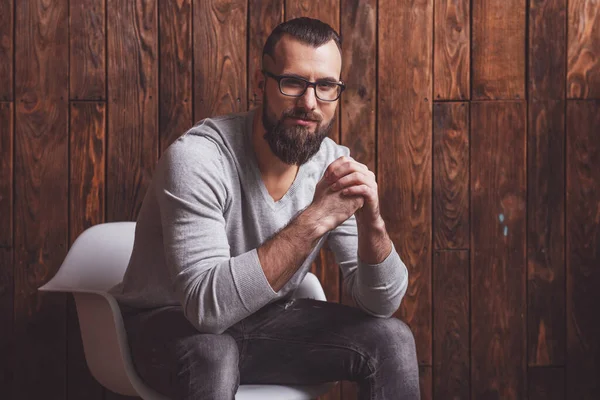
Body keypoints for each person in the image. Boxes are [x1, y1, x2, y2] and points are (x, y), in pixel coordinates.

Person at [110, 17, 420, 400]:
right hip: (163, 324)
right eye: (293, 83)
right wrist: (313, 221)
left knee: (391, 339)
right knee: (215, 353)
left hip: (261, 323)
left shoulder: (331, 164)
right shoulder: (198, 158)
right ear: (262, 84)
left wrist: (373, 223)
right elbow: (205, 311)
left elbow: (381, 303)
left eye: (325, 87)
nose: (309, 104)